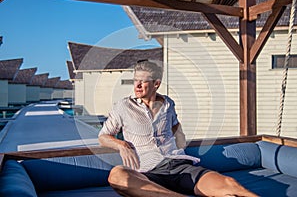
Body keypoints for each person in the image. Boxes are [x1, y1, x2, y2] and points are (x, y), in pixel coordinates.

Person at [98, 59, 257, 197]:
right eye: (135, 80)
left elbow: (176, 127)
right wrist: (122, 145)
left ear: (156, 84)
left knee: (229, 184)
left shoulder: (168, 104)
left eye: (143, 81)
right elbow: (103, 136)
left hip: (179, 166)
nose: (137, 85)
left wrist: (179, 140)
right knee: (117, 176)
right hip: (146, 172)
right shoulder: (123, 106)